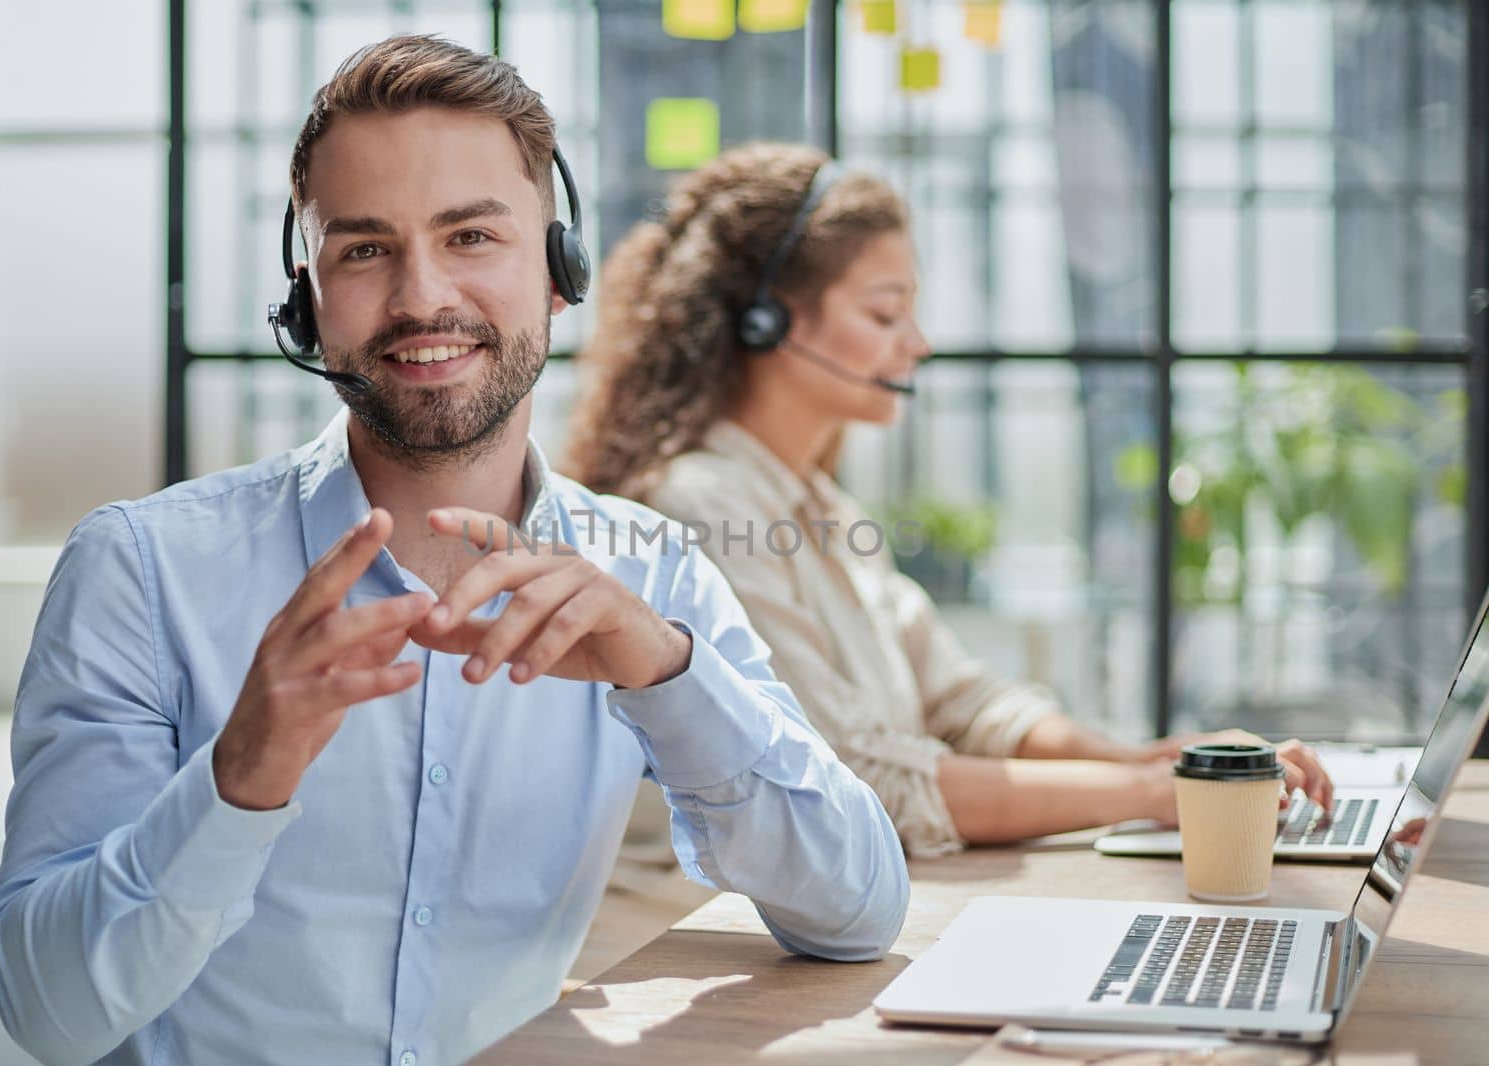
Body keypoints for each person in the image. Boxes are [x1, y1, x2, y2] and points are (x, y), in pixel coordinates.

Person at [0, 43, 908, 1066]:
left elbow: (858, 909)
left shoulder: (648, 572)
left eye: (470, 235)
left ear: (559, 276)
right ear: (308, 297)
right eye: (364, 248)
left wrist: (667, 673)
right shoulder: (140, 573)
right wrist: (238, 776)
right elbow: (51, 1017)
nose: (423, 297)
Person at [564, 142, 1334, 860]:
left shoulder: (819, 506)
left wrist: (1150, 762)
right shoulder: (701, 506)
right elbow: (851, 778)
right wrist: (1148, 794)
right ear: (766, 322)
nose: (918, 343)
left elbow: (963, 703)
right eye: (884, 312)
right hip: (694, 937)